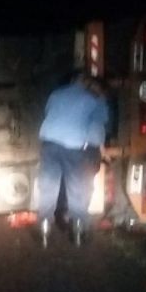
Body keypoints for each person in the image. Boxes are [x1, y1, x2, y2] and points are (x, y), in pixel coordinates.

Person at [37, 70, 108, 246]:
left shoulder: (56, 94)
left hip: (49, 143)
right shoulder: (93, 99)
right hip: (73, 147)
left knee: (48, 186)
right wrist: (100, 148)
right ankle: (77, 231)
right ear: (86, 82)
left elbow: (49, 113)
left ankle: (44, 229)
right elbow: (96, 130)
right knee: (78, 188)